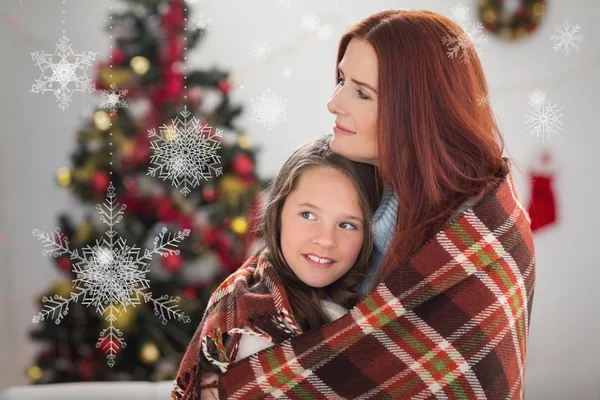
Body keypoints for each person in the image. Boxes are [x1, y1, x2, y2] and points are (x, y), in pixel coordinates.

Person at [183, 9, 536, 399]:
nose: (334, 103)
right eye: (341, 80)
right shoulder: (360, 185)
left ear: (417, 110)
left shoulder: (477, 236)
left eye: (362, 92)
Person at [172, 136, 382, 399]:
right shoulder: (251, 328)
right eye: (308, 215)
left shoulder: (370, 308)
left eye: (347, 224)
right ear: (278, 214)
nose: (326, 240)